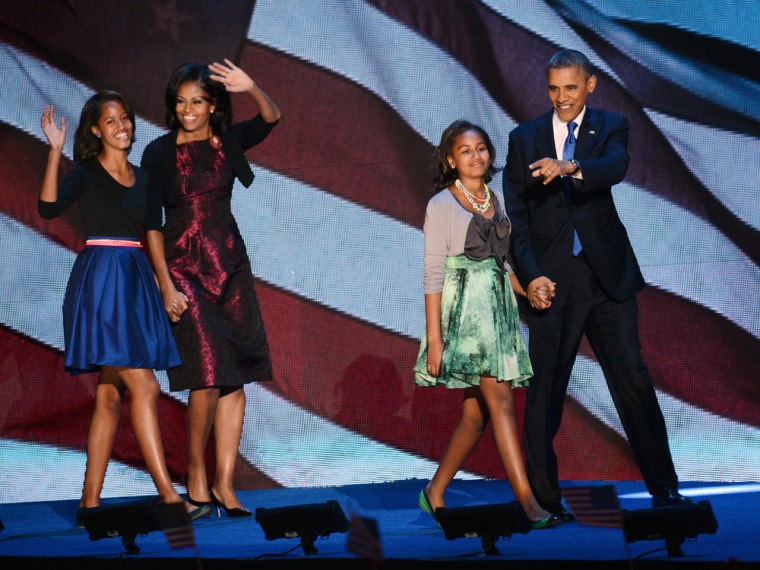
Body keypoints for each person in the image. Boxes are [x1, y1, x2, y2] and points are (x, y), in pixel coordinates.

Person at [502, 49, 690, 520]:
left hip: (608, 280)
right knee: (546, 387)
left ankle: (665, 489)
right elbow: (517, 222)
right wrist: (530, 277)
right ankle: (545, 500)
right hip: (553, 282)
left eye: (570, 87)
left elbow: (615, 167)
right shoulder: (523, 139)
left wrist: (569, 167)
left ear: (590, 85)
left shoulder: (609, 126)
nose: (562, 98)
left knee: (632, 382)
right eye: (553, 88)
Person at [38, 92, 210, 525]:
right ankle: (171, 499)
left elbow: (152, 230)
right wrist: (55, 151)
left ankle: (89, 504)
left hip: (134, 283)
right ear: (96, 129)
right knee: (147, 387)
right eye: (111, 122)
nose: (122, 127)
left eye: (126, 119)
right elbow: (47, 208)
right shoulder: (85, 174)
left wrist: (166, 288)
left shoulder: (143, 178)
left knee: (111, 396)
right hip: (102, 284)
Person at [141, 59, 281, 517]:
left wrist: (252, 86)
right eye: (181, 102)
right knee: (203, 376)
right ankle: (194, 472)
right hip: (184, 268)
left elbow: (271, 118)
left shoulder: (228, 143)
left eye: (197, 102)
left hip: (229, 265)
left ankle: (224, 483)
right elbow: (152, 225)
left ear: (213, 104)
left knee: (234, 377)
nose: (187, 110)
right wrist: (165, 286)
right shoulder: (158, 153)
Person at [413, 120, 562, 530]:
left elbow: (499, 266)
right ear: (450, 159)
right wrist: (435, 340)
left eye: (481, 148)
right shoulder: (441, 205)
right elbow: (432, 274)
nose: (475, 156)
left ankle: (434, 492)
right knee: (501, 406)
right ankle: (529, 505)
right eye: (465, 150)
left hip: (498, 313)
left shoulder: (494, 198)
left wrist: (526, 289)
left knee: (476, 416)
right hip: (467, 318)